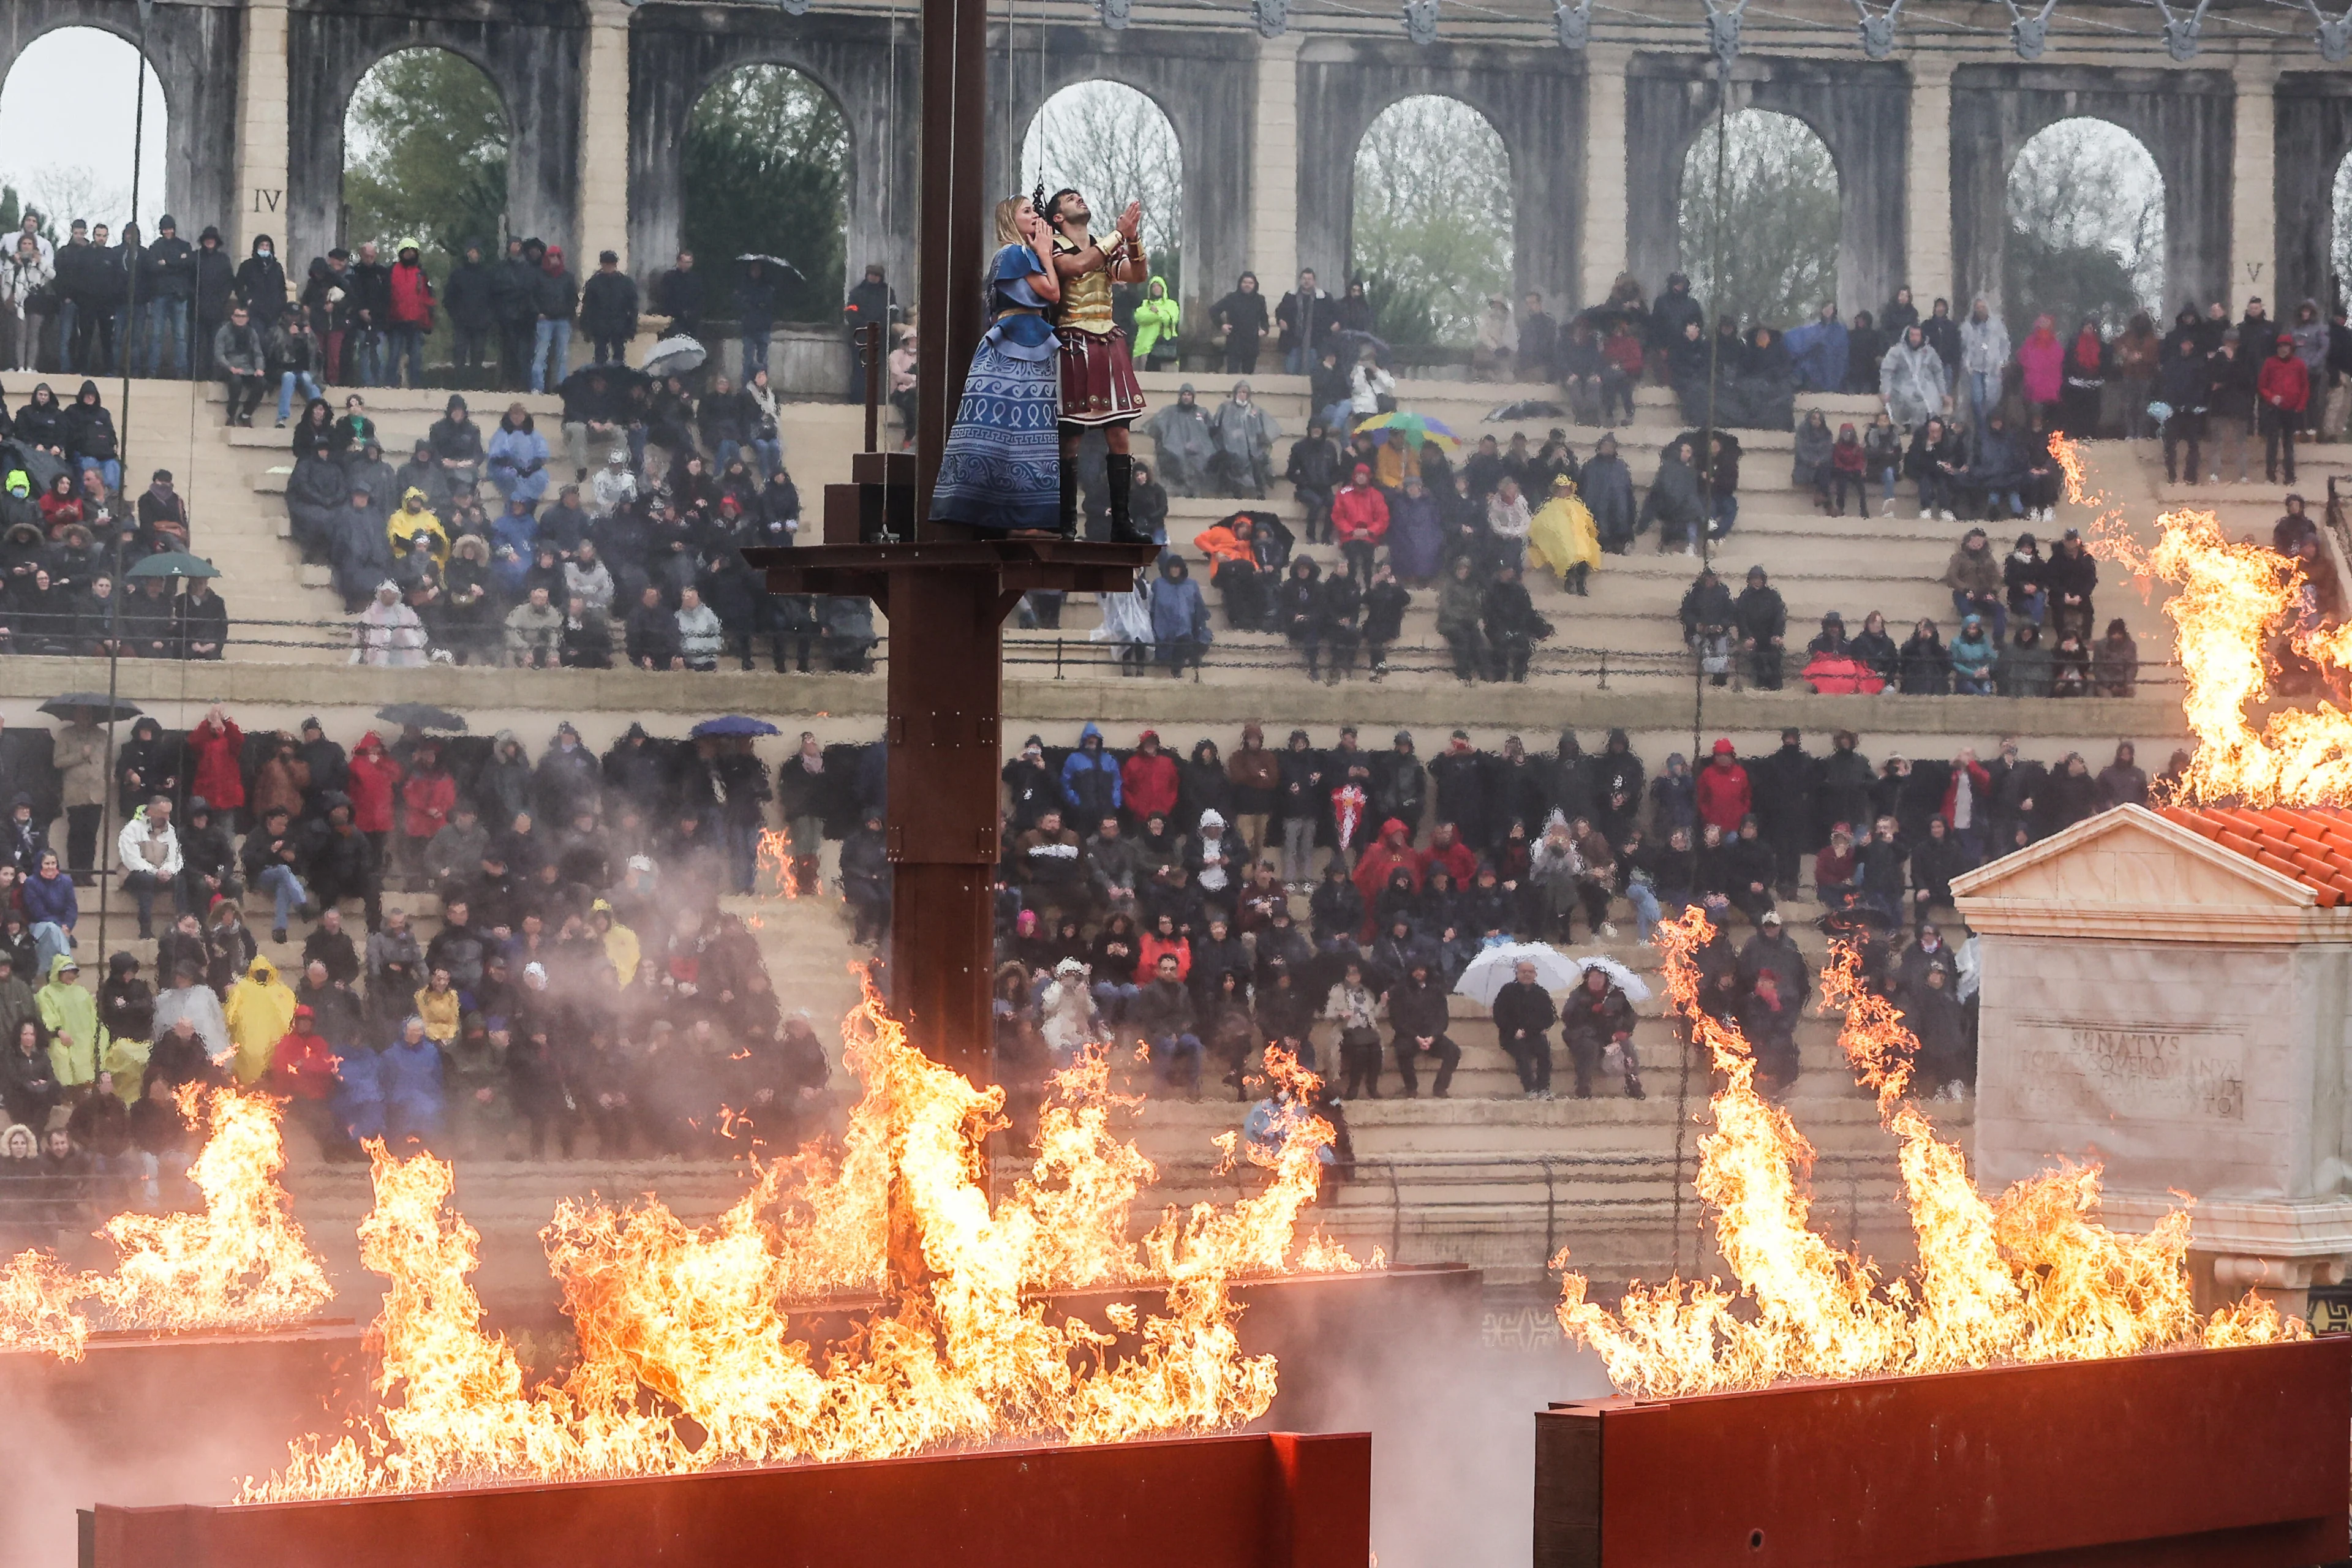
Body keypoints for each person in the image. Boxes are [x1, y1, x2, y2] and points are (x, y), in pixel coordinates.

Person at [929, 198, 1066, 537]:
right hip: (1015, 340)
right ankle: (1003, 516)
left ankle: (1017, 517)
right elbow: (1052, 293)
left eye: (1035, 211)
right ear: (1010, 220)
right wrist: (1047, 253)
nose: (1036, 216)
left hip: (1026, 337)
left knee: (1023, 432)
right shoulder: (1014, 254)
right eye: (1027, 212)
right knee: (1008, 428)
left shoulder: (1020, 255)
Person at [1044, 186, 1151, 542]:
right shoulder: (1054, 245)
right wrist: (1119, 234)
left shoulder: (1101, 245)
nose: (1080, 199)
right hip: (1072, 341)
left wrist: (1133, 241)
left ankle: (1122, 522)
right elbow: (1076, 267)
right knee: (1069, 440)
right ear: (1057, 216)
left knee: (1119, 434)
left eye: (1080, 196)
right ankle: (1065, 524)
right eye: (1070, 199)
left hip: (1106, 340)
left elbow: (1137, 275)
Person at [1491, 959, 1556, 1099]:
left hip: (1535, 1034)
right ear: (1517, 973)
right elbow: (1499, 1015)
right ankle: (1530, 1089)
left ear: (1535, 974)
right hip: (1512, 1036)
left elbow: (1550, 1017)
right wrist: (1514, 1030)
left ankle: (1543, 1088)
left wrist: (1539, 1028)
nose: (1527, 974)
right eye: (1523, 971)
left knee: (1545, 1050)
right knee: (1522, 1053)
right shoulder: (1507, 991)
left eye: (1530, 972)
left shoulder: (1541, 993)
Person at [2258, 335, 2309, 484]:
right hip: (2274, 409)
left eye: (2286, 346)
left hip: (2292, 410)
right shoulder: (2270, 363)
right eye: (2281, 346)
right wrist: (2271, 397)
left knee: (2289, 444)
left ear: (2291, 347)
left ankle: (2289, 476)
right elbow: (2262, 386)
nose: (2283, 349)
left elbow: (2305, 387)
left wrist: (2300, 406)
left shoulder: (2299, 364)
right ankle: (2270, 475)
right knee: (2272, 443)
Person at [213, 303, 269, 426]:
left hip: (247, 369)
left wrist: (260, 368)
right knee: (236, 382)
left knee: (262, 383)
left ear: (247, 319)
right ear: (232, 317)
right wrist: (230, 368)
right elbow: (219, 354)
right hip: (228, 368)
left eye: (243, 316)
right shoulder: (224, 331)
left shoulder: (252, 333)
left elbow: (258, 354)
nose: (240, 319)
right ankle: (231, 415)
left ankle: (246, 414)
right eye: (237, 316)